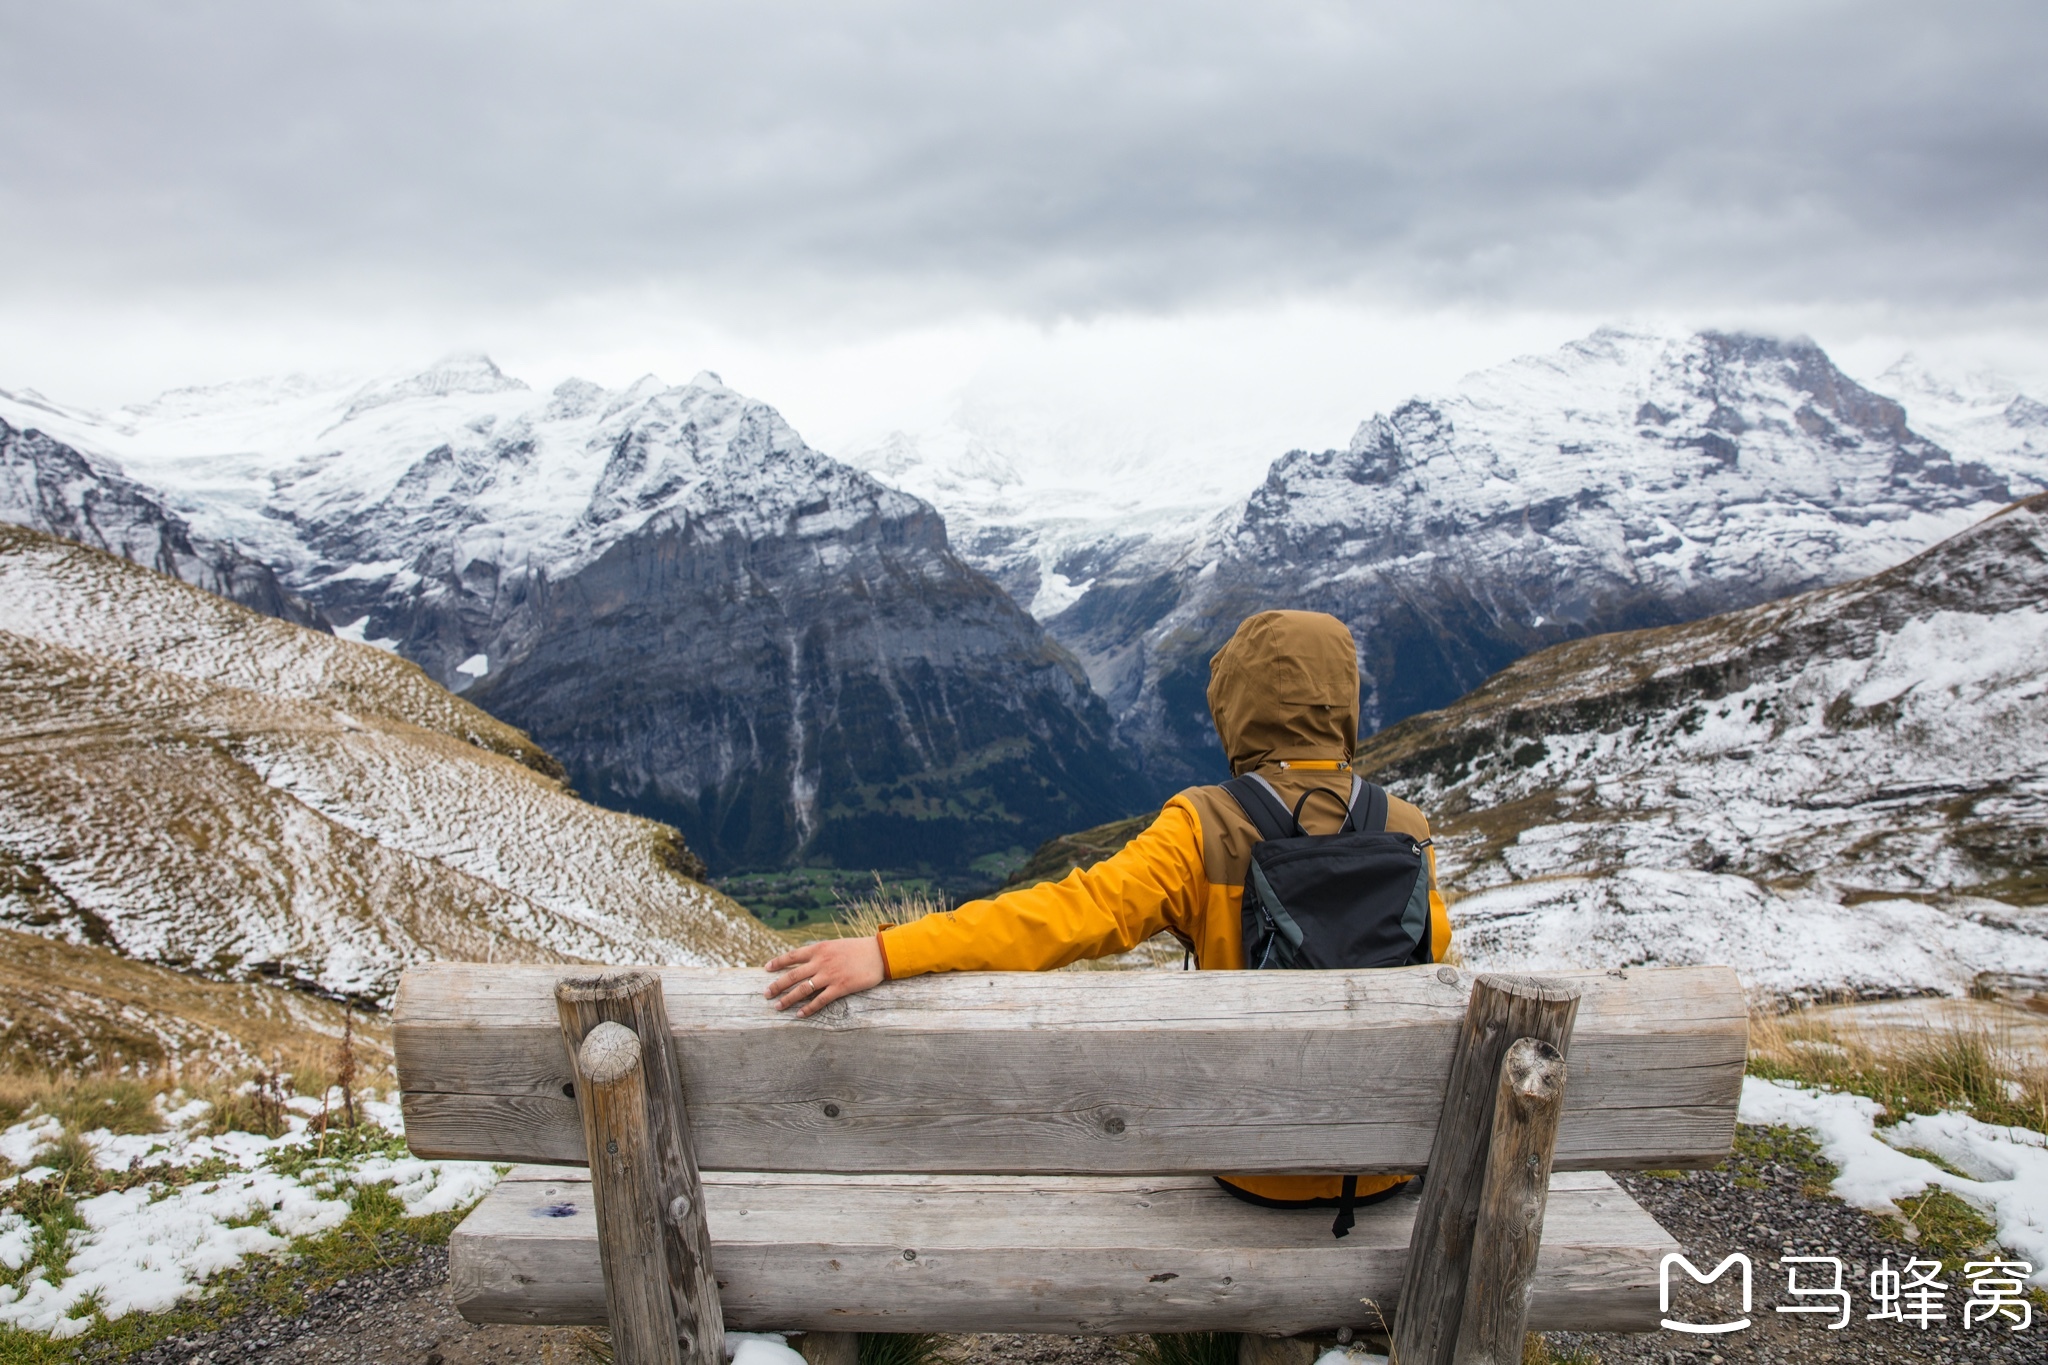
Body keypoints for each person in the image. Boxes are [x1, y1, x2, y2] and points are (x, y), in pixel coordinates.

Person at [764, 608, 1451, 1211]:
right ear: (1344, 698)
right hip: (1383, 1167)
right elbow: (1431, 950)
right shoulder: (1405, 825)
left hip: (1256, 1165)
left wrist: (888, 951)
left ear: (1240, 705)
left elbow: (1066, 916)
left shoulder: (1204, 827)